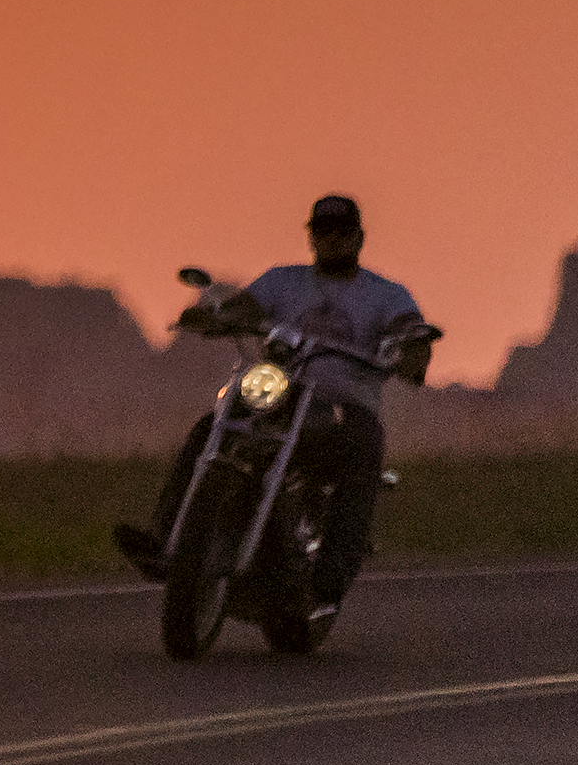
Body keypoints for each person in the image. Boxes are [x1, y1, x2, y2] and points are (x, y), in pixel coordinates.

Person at [117, 195, 436, 599]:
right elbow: (243, 309)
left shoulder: (386, 295)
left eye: (342, 231)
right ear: (311, 236)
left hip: (345, 406)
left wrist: (411, 352)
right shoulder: (282, 281)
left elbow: (411, 330)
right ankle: (167, 542)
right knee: (211, 425)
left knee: (363, 447)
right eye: (323, 231)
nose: (332, 239)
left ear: (359, 237)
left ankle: (331, 575)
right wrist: (212, 315)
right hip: (281, 394)